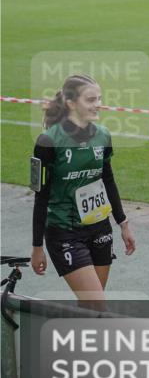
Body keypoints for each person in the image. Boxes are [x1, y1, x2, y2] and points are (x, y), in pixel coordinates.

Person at [30, 74, 136, 310]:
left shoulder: (103, 135)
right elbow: (41, 196)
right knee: (98, 305)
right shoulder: (48, 141)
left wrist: (123, 223)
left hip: (99, 227)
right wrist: (37, 247)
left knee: (89, 307)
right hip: (65, 232)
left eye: (99, 98)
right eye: (90, 99)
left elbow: (107, 179)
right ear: (70, 103)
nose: (97, 104)